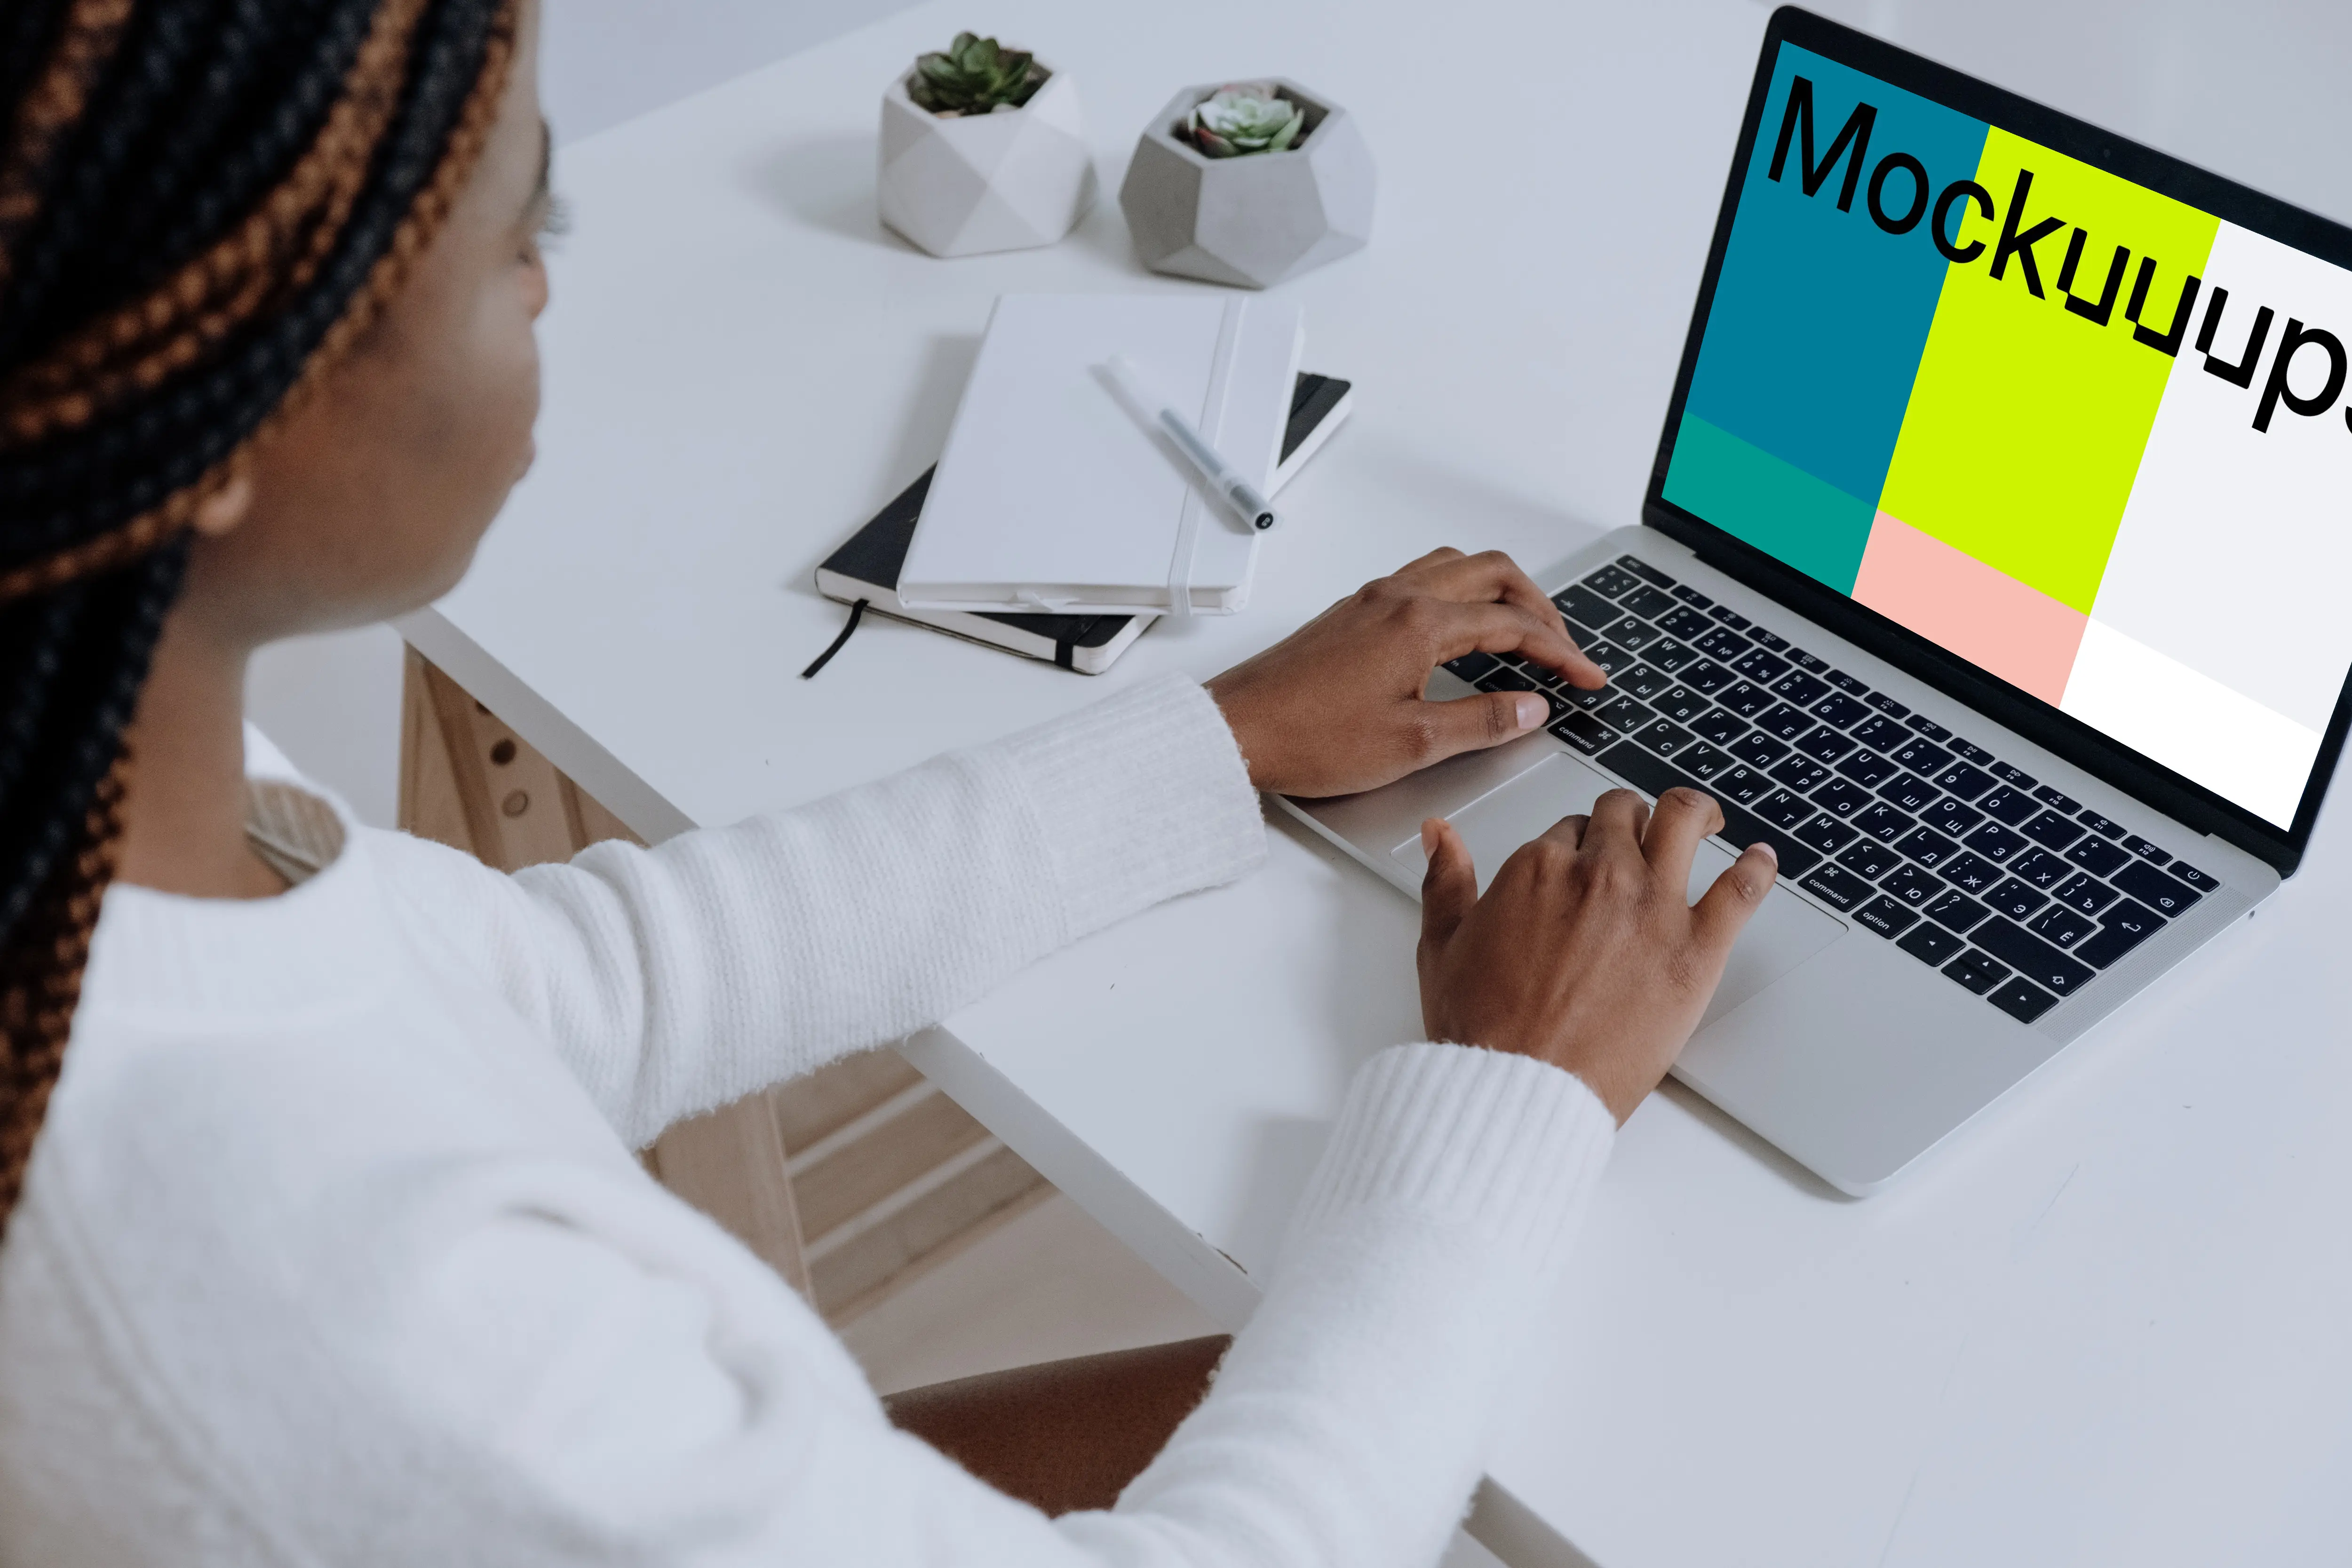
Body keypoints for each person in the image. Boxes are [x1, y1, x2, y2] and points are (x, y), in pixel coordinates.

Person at [0, 1, 1779, 1563]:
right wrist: (1512, 1085)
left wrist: (1216, 737)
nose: (546, 279)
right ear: (197, 403)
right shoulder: (350, 1321)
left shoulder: (95, 811)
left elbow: (572, 980)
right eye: (512, 229)